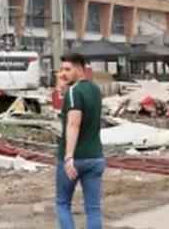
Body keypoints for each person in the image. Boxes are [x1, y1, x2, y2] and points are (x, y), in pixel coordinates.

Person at [55, 53, 106, 229]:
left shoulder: (74, 92)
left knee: (63, 203)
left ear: (80, 69)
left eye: (68, 69)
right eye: (62, 69)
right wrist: (62, 91)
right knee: (93, 209)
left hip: (75, 159)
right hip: (95, 157)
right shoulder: (95, 89)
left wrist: (69, 156)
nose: (63, 73)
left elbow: (73, 124)